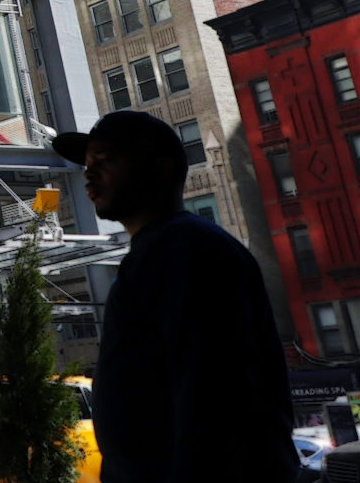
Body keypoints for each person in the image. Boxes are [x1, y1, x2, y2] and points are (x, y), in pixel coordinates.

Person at [53, 109, 297, 483]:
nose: (89, 173)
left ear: (161, 170)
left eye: (107, 160)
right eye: (88, 163)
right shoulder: (166, 249)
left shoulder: (183, 249)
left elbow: (211, 394)